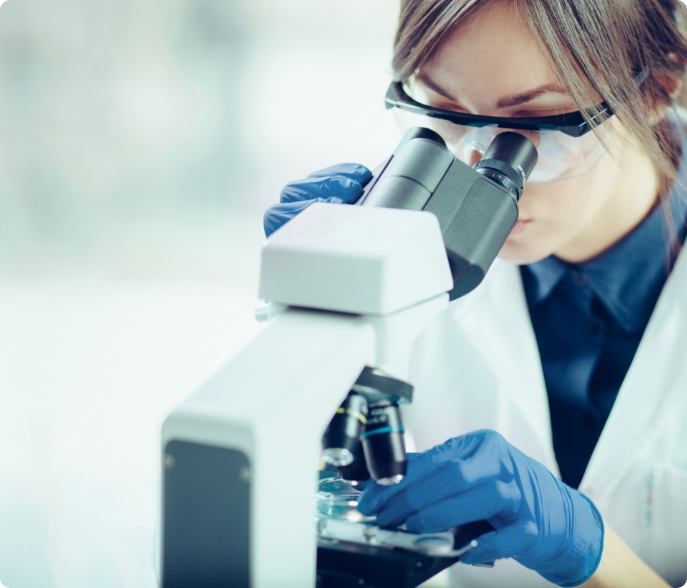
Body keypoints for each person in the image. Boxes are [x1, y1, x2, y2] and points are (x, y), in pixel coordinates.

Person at [264, 0, 687, 586]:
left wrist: (591, 554)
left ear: (656, 89)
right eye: (441, 112)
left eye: (535, 125)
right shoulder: (407, 246)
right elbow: (302, 484)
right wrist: (311, 318)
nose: (477, 164)